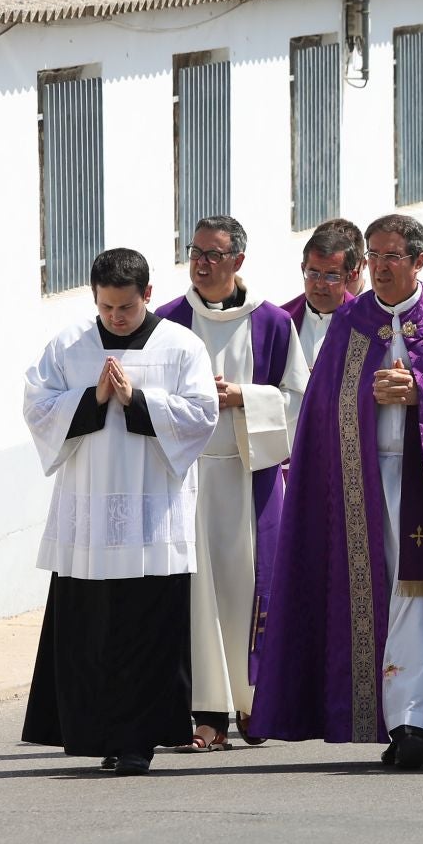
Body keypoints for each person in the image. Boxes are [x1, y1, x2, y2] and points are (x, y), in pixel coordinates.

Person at [250, 214, 423, 769]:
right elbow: (323, 410)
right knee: (379, 594)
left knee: (421, 596)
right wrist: (367, 398)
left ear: (419, 261)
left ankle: (411, 721)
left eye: (392, 256)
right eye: (373, 255)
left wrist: (422, 394)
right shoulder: (351, 322)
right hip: (365, 482)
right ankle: (393, 717)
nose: (379, 266)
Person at [21, 248, 219, 776]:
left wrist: (137, 400)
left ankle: (140, 740)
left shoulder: (181, 346)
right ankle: (98, 735)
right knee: (93, 632)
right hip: (89, 521)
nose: (115, 317)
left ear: (147, 295)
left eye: (125, 307)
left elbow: (203, 415)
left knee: (148, 632)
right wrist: (91, 396)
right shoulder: (69, 345)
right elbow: (37, 407)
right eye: (106, 307)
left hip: (152, 517)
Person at [156, 216, 309, 751]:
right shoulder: (168, 321)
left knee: (248, 592)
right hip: (187, 478)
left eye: (215, 254)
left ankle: (255, 704)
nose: (201, 262)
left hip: (248, 474)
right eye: (195, 251)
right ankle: (207, 714)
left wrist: (244, 396)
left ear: (238, 261)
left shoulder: (270, 323)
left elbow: (299, 400)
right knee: (195, 596)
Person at [282, 219, 361, 367]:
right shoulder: (281, 320)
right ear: (302, 268)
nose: (320, 284)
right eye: (313, 273)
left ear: (350, 277)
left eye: (332, 276)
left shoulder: (367, 321)